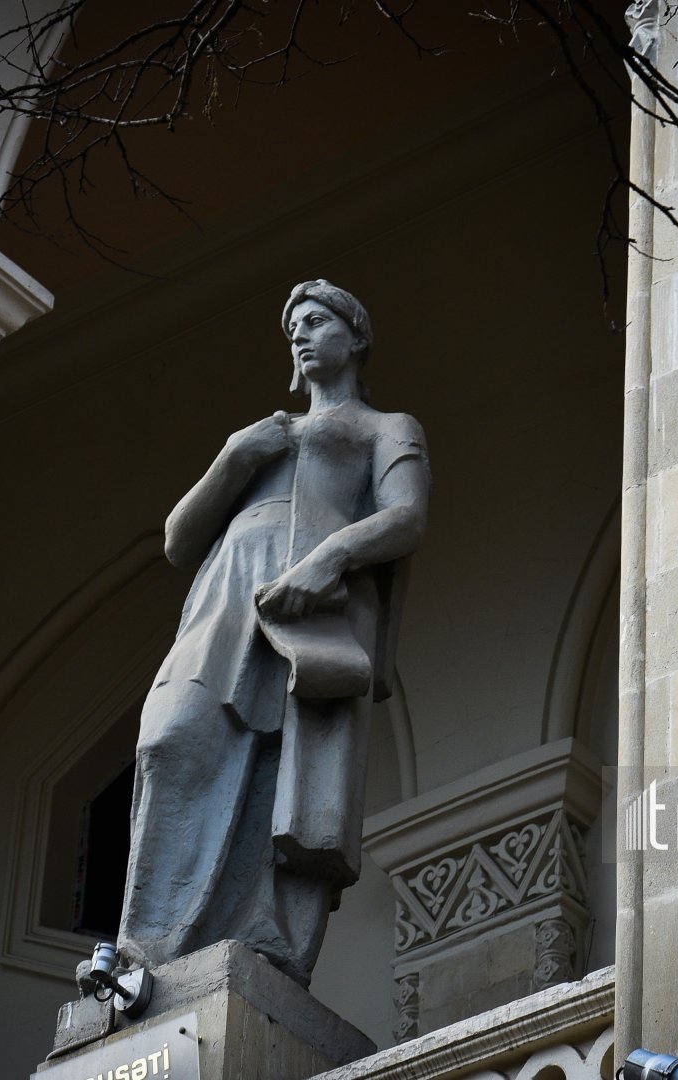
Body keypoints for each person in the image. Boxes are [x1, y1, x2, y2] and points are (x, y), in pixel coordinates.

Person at [117, 280, 430, 986]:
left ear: (355, 337)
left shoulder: (387, 428)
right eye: (293, 327)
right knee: (169, 739)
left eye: (316, 321)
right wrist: (233, 456)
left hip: (307, 612)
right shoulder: (264, 436)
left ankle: (263, 944)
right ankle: (146, 953)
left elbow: (405, 517)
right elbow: (177, 539)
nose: (300, 335)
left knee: (284, 770)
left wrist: (329, 559)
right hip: (227, 599)